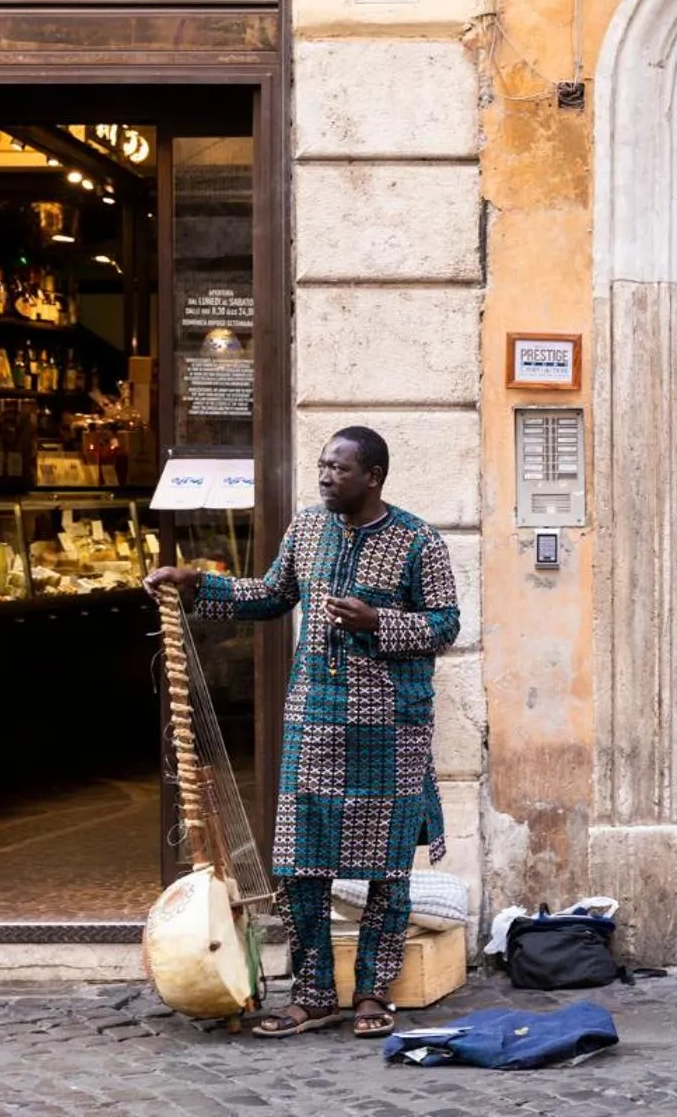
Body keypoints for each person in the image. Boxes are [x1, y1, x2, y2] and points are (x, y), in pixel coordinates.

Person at [145, 426, 459, 1038]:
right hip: (313, 719)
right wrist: (197, 584)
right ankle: (313, 994)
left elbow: (445, 626)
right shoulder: (306, 530)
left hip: (390, 729)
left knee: (385, 870)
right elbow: (269, 595)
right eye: (322, 466)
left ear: (373, 477)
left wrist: (378, 622)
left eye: (340, 468)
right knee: (298, 866)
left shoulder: (419, 540)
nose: (325, 476)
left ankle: (372, 993)